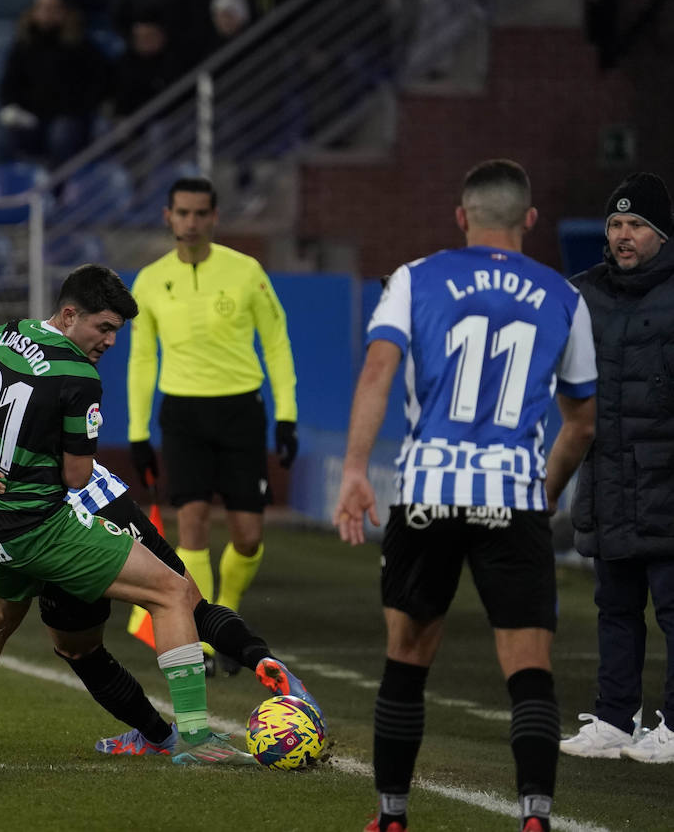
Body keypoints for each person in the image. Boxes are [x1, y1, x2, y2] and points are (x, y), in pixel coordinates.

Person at [0, 264, 261, 765]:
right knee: (173, 591)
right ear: (69, 315)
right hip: (41, 529)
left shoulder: (0, 335)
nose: (110, 341)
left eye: (116, 331)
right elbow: (75, 478)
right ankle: (196, 738)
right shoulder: (79, 377)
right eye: (104, 327)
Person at [0, 361, 319, 757]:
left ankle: (170, 737)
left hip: (64, 521)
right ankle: (264, 664)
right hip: (105, 499)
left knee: (80, 641)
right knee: (185, 605)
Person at [333, 159, 597, 832]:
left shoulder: (416, 278)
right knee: (528, 665)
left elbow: (377, 370)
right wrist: (543, 491)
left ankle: (392, 815)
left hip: (427, 493)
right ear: (529, 220)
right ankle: (535, 814)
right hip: (512, 497)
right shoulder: (565, 296)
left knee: (408, 655)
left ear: (462, 216)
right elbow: (582, 421)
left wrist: (356, 469)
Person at [126, 176, 298, 675]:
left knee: (247, 535)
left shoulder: (246, 272)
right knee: (192, 524)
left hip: (241, 412)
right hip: (182, 415)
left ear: (215, 217)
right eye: (183, 213)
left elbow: (278, 343)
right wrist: (138, 432)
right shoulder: (151, 281)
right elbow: (141, 360)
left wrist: (286, 416)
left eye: (201, 213)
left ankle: (229, 610)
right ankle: (203, 634)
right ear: (168, 216)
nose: (192, 222)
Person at [559, 172, 674, 764]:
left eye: (636, 225)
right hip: (607, 478)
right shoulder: (581, 293)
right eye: (616, 224)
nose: (623, 235)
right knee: (615, 607)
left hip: (666, 480)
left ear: (660, 233)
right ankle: (613, 719)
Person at [0, 0, 107, 169]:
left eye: (53, 7)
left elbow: (97, 84)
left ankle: (58, 189)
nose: (46, 13)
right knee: (8, 136)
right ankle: (25, 185)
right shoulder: (23, 46)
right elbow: (8, 85)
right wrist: (11, 108)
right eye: (41, 7)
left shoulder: (81, 46)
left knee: (61, 135)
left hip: (70, 116)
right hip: (32, 117)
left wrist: (76, 109)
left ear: (64, 12)